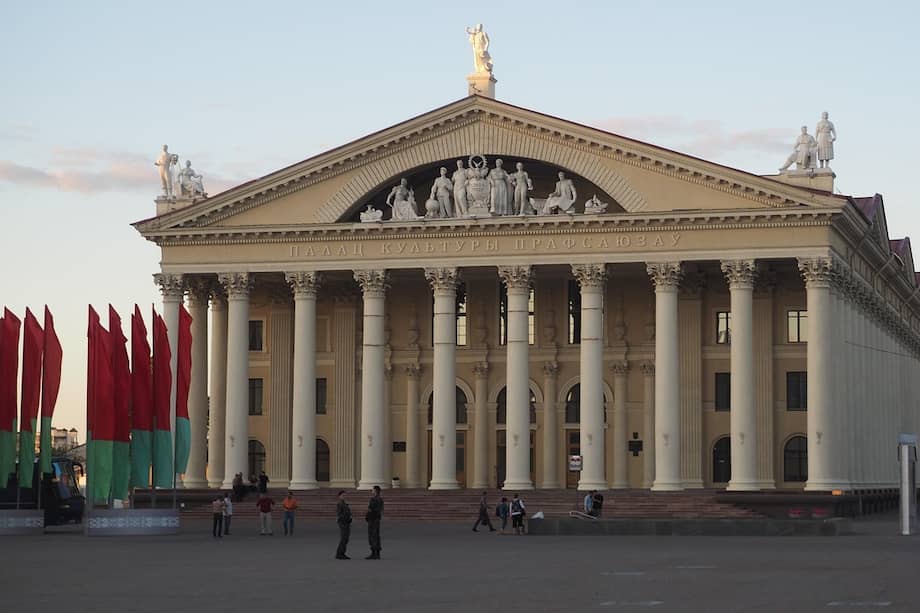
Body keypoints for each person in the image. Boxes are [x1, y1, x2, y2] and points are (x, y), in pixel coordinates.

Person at [365, 485, 384, 559]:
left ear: (375, 491)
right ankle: (377, 553)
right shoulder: (380, 499)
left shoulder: (373, 499)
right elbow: (380, 510)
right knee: (376, 535)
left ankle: (374, 553)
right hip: (377, 519)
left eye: (372, 490)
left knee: (372, 535)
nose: (371, 491)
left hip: (372, 519)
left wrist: (367, 516)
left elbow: (370, 509)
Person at [335, 490, 352, 559]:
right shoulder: (340, 504)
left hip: (346, 522)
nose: (344, 496)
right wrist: (345, 517)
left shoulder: (344, 503)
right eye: (343, 495)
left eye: (345, 495)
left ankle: (342, 553)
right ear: (339, 496)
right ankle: (339, 554)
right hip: (343, 522)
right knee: (344, 538)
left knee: (345, 538)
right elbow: (340, 514)